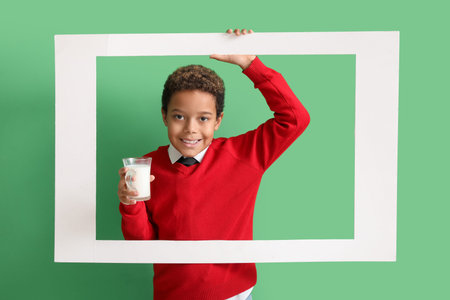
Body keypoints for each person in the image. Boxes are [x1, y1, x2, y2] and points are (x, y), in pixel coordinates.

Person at [117, 28, 310, 300]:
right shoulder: (147, 168)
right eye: (179, 117)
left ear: (218, 120)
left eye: (204, 118)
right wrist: (130, 204)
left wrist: (250, 64)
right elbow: (142, 246)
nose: (190, 130)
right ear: (164, 116)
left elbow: (295, 119)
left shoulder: (244, 154)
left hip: (234, 295)